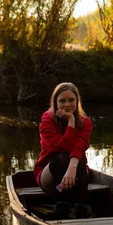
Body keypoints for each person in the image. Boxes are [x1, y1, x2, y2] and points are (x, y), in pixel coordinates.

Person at [33, 82, 93, 217]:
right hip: (49, 175)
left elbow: (79, 146)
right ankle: (61, 208)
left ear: (77, 101)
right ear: (55, 103)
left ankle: (81, 209)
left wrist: (72, 168)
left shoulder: (86, 123)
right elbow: (63, 146)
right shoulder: (47, 121)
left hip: (75, 173)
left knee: (79, 161)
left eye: (71, 100)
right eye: (62, 101)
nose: (67, 104)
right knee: (62, 157)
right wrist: (71, 120)